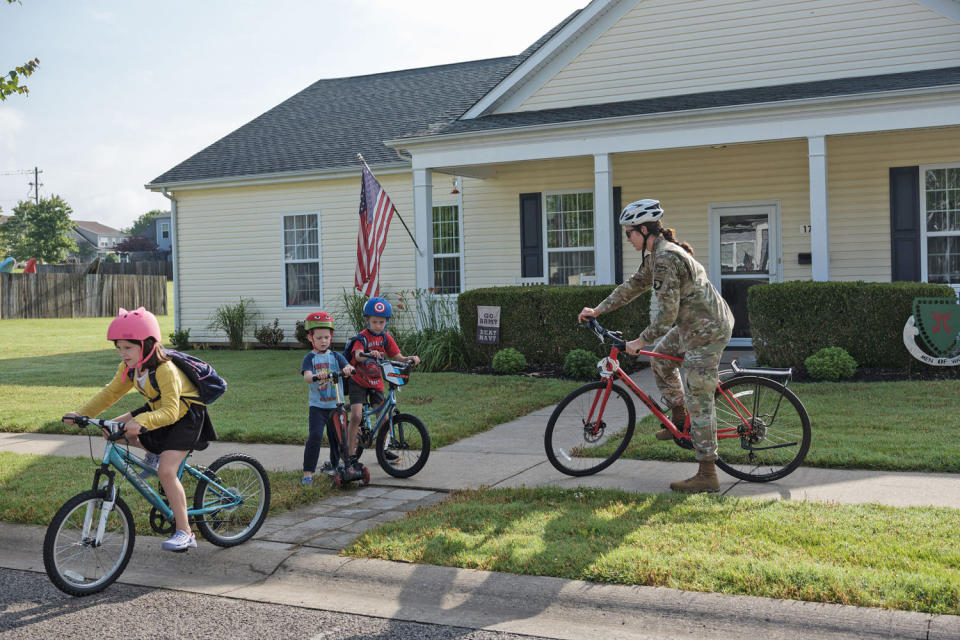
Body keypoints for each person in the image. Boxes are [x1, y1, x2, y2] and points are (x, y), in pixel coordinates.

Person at [577, 198, 734, 493]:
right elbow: (633, 286)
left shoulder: (665, 258)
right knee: (661, 359)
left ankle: (707, 473)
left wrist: (640, 341)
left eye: (629, 233)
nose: (628, 239)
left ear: (645, 230)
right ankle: (678, 419)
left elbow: (666, 316)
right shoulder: (655, 256)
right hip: (693, 325)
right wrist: (597, 310)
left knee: (698, 394)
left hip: (708, 329)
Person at [63, 307, 217, 550]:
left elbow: (171, 411)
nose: (123, 353)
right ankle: (153, 454)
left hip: (185, 415)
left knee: (167, 471)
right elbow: (111, 393)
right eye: (119, 348)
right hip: (156, 409)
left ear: (146, 345)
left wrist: (143, 422)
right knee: (111, 429)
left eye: (128, 347)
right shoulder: (130, 368)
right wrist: (83, 415)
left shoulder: (165, 370)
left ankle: (185, 531)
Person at [345, 297, 420, 473]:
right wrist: (369, 353)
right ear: (367, 320)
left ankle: (383, 451)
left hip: (376, 381)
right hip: (358, 381)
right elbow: (357, 356)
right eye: (374, 322)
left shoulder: (386, 338)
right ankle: (349, 454)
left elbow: (398, 357)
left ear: (386, 322)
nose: (377, 325)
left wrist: (411, 359)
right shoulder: (362, 338)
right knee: (356, 416)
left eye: (381, 322)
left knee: (385, 419)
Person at [300, 311, 354, 486]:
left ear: (331, 337)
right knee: (315, 436)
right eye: (319, 338)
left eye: (326, 337)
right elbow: (307, 376)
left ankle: (335, 465)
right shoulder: (310, 358)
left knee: (338, 438)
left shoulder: (336, 357)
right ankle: (308, 472)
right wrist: (316, 375)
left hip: (336, 406)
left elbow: (349, 366)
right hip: (317, 407)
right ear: (311, 338)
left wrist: (347, 369)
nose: (323, 341)